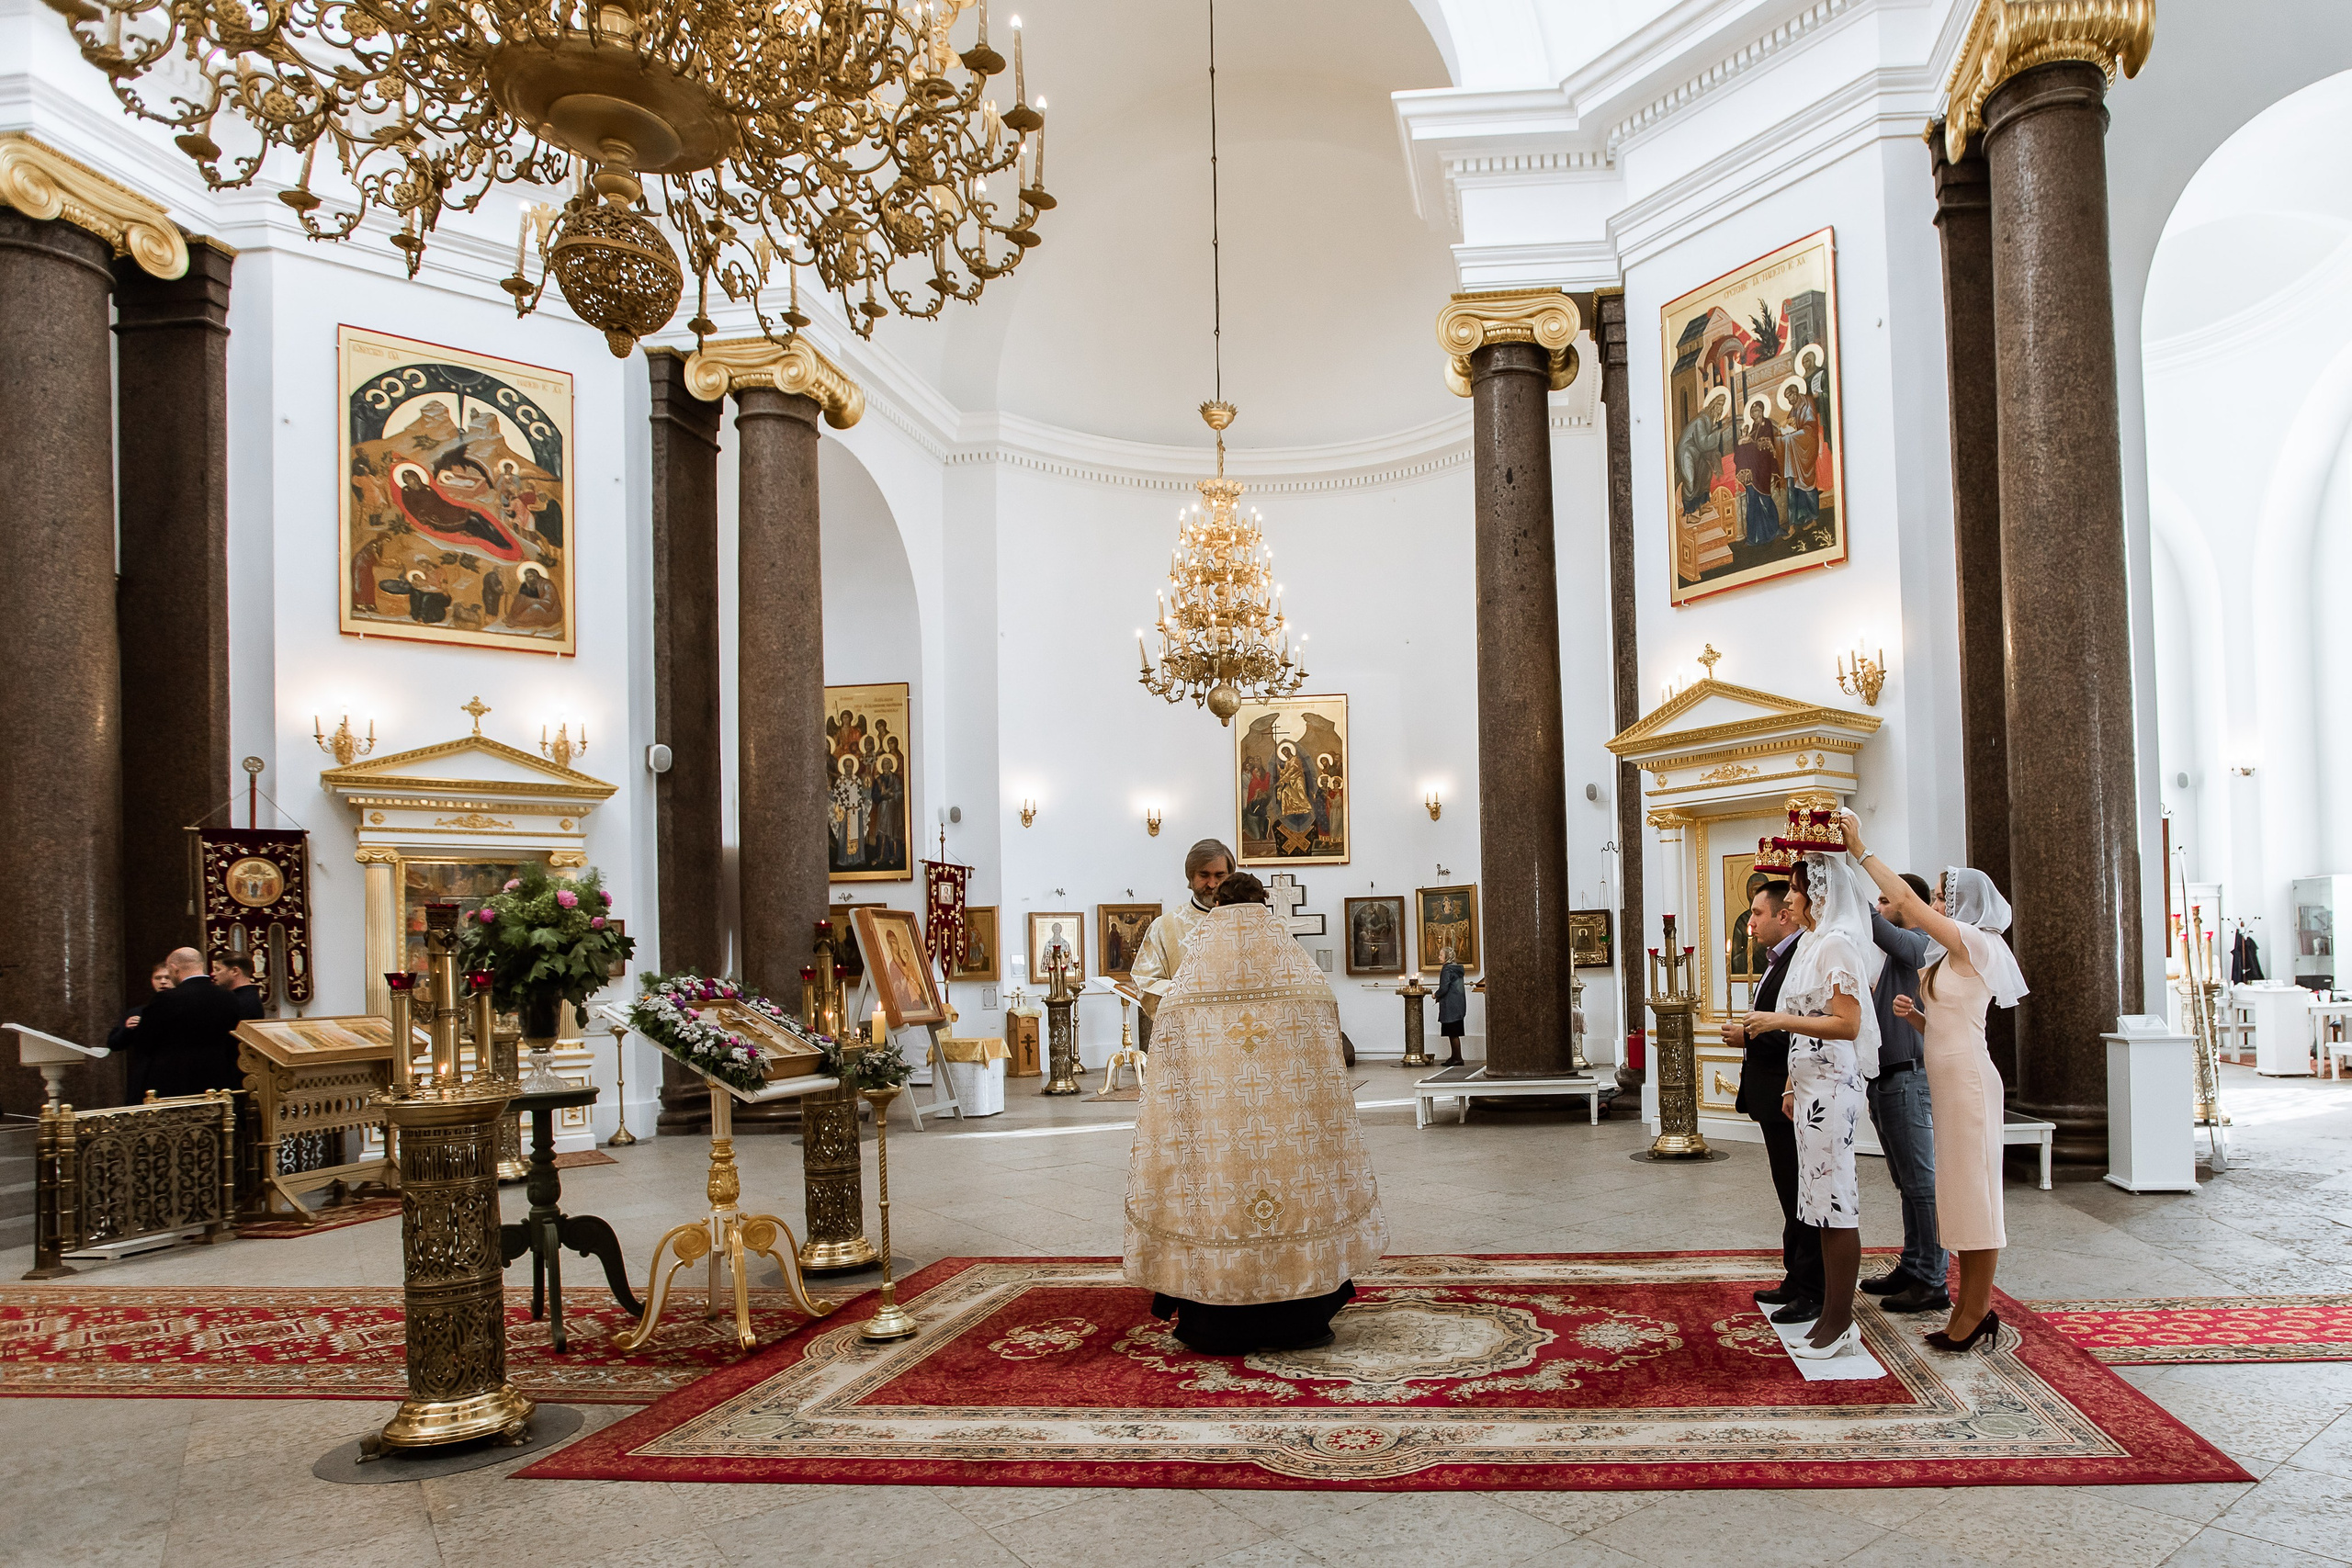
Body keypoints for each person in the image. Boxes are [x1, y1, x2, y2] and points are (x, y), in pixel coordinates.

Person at [1125, 873, 1388, 1353]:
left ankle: (1216, 1324)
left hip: (1216, 1133)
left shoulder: (1187, 989)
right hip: (1288, 1132)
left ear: (1217, 907)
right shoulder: (1301, 978)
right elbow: (1327, 1049)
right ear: (1264, 905)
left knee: (1216, 1201)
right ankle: (1301, 1320)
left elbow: (1169, 1069)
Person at [1846, 814, 2029, 1354]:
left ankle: (1975, 1311)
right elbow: (1953, 1021)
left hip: (1969, 1081)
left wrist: (1859, 849)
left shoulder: (1977, 941)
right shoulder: (1950, 953)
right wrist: (1919, 1020)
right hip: (1948, 1079)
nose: (1939, 906)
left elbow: (1904, 901)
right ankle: (1968, 1306)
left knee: (1976, 1197)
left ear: (1968, 904)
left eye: (1946, 898)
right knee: (1958, 1197)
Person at [1743, 849, 1882, 1358]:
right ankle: (1828, 1314)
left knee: (1835, 1202)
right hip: (1808, 1088)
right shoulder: (1814, 944)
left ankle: (1839, 1319)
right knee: (1817, 1203)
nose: (1791, 900)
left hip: (1832, 1087)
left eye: (1798, 891)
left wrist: (1776, 1021)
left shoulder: (1837, 944)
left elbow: (1848, 1023)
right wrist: (1788, 1085)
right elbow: (1810, 1025)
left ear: (1818, 894)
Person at [1724, 880, 1823, 1325]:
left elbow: (1800, 1029)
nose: (1751, 922)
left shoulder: (1802, 957)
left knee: (1801, 1190)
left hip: (1792, 1094)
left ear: (1783, 915)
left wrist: (1748, 1035)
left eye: (1758, 913)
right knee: (1788, 1190)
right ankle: (1795, 1277)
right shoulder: (1779, 959)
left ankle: (1812, 1287)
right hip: (1773, 1094)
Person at [1860, 869, 1951, 1316]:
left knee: (1922, 1185)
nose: (1879, 907)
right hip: (1890, 1077)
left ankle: (1932, 1279)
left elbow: (1877, 927)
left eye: (1885, 899)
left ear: (1905, 903)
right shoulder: (1903, 951)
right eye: (1876, 899)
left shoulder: (1923, 942)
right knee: (1907, 1184)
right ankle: (1914, 1265)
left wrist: (1842, 876)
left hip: (1910, 1078)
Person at [1128, 838, 1234, 1047]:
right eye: (1204, 875)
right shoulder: (1165, 927)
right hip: (1188, 1039)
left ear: (1230, 876)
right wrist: (1192, 994)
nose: (1212, 884)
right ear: (1190, 876)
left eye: (1219, 875)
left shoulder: (1248, 922)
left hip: (1239, 1038)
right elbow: (1146, 982)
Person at [127, 948, 248, 1099]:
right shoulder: (229, 997)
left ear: (174, 969)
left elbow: (145, 1041)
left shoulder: (167, 999)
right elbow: (233, 1039)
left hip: (175, 1081)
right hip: (219, 1078)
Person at [108, 957, 177, 1101]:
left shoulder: (183, 1008)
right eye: (158, 978)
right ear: (152, 981)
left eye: (167, 978)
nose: (163, 982)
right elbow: (114, 1044)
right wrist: (127, 1029)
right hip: (145, 1073)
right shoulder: (138, 1012)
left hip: (174, 1072)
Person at [1434, 948, 1467, 1065]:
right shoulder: (1456, 969)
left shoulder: (1447, 969)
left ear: (1447, 957)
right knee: (1454, 1033)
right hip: (1458, 1005)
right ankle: (1455, 1056)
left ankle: (1457, 1058)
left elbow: (1444, 987)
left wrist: (1436, 995)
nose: (1439, 957)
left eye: (1441, 955)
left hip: (1450, 1006)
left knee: (1452, 1033)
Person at [211, 954, 266, 1021]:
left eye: (217, 969)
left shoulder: (242, 1002)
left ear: (235, 971)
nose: (213, 974)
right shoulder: (246, 996)